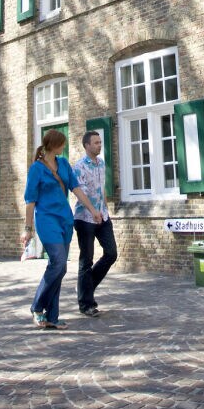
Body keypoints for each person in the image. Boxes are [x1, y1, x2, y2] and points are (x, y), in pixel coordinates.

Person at [21, 128, 103, 330]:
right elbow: (30, 201)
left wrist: (92, 209)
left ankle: (53, 316)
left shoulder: (64, 164)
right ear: (53, 145)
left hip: (65, 220)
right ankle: (37, 306)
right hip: (47, 220)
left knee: (60, 268)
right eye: (62, 144)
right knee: (58, 263)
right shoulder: (36, 169)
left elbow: (76, 189)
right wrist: (27, 228)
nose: (64, 147)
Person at [73, 129, 117, 318]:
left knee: (111, 253)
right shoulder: (79, 166)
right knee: (87, 259)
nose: (99, 145)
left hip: (103, 216)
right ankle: (86, 304)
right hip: (85, 218)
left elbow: (101, 190)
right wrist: (93, 210)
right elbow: (80, 192)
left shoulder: (101, 164)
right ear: (87, 146)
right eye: (96, 143)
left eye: (100, 142)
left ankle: (85, 286)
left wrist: (105, 210)